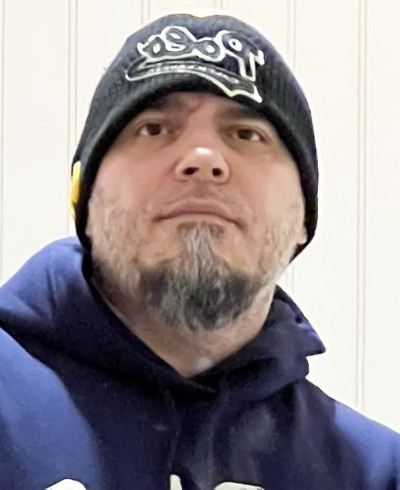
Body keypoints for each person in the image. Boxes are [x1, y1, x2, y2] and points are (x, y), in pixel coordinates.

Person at [0, 10, 399, 490]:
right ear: (83, 200)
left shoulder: (376, 473)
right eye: (153, 128)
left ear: (303, 218)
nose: (204, 159)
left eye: (247, 134)